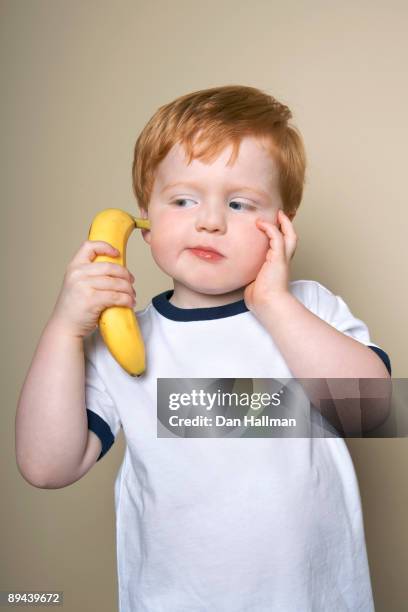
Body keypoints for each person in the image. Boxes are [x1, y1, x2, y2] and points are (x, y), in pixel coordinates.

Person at [16, 85, 392, 611]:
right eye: (184, 199)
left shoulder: (310, 309)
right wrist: (63, 331)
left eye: (239, 203)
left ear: (281, 228)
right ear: (144, 221)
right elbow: (45, 467)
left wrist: (276, 306)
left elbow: (371, 410)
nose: (210, 220)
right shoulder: (124, 340)